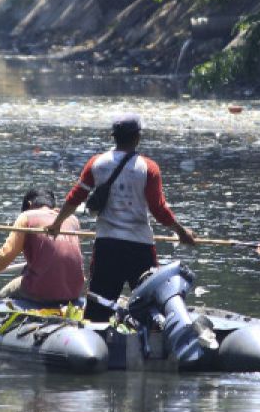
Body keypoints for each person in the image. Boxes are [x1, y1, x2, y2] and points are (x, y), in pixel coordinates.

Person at [47, 112, 196, 321]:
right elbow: (158, 209)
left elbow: (75, 197)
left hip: (107, 247)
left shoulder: (96, 163)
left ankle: (97, 343)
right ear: (137, 137)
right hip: (140, 248)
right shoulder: (148, 168)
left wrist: (56, 223)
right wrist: (181, 232)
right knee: (149, 309)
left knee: (98, 308)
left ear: (114, 137)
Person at [0, 188, 85, 305]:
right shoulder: (72, 219)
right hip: (74, 290)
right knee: (26, 269)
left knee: (3, 294)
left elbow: (7, 253)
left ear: (29, 205)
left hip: (42, 289)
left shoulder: (27, 216)